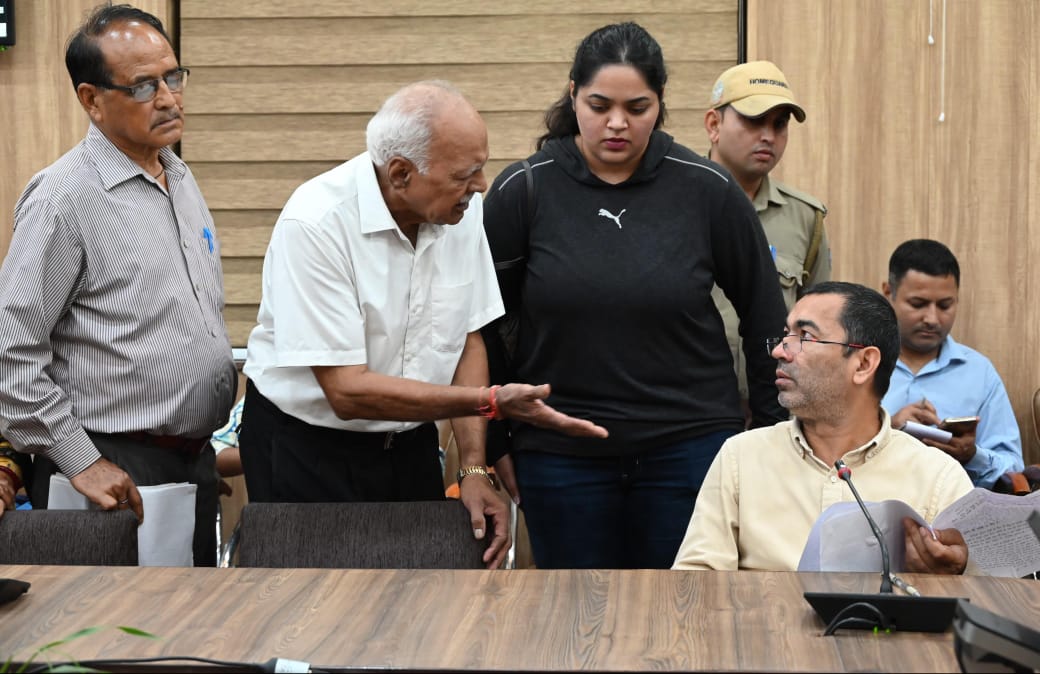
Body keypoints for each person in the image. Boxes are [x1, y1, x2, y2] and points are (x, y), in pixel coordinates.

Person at [239, 80, 606, 570]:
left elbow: (468, 339)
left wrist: (473, 467)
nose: (481, 185)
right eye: (465, 174)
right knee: (313, 604)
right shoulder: (316, 223)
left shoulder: (460, 212)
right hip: (307, 446)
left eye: (481, 167)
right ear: (400, 174)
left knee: (415, 597)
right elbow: (347, 392)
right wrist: (491, 401)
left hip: (409, 444)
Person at [481, 22, 787, 569]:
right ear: (573, 94)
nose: (617, 123)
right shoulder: (523, 190)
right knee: (575, 614)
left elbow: (766, 319)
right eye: (599, 105)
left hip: (690, 450)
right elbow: (483, 326)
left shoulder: (707, 190)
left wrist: (768, 440)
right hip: (560, 454)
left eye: (637, 107)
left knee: (686, 612)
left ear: (660, 103)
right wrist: (495, 439)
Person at [0, 4, 235, 565]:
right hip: (110, 466)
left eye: (173, 77)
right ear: (92, 99)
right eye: (143, 86)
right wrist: (81, 460)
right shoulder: (63, 199)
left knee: (190, 618)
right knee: (115, 621)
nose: (169, 99)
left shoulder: (178, 176)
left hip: (190, 460)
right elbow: (12, 350)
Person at [672, 282, 973, 573]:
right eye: (785, 335)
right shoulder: (741, 457)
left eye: (805, 336)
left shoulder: (937, 478)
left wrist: (947, 577)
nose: (780, 351)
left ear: (864, 364)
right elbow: (696, 583)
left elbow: (980, 592)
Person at [705, 60, 830, 402]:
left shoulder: (805, 217)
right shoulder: (674, 203)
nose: (768, 136)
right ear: (714, 124)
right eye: (753, 121)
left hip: (775, 410)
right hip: (689, 410)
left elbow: (818, 327)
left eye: (779, 124)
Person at [881, 239, 1022, 489]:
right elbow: (825, 451)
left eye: (945, 305)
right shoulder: (858, 364)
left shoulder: (979, 373)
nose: (932, 319)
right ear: (888, 293)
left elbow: (1014, 469)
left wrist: (972, 456)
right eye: (918, 304)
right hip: (869, 505)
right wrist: (885, 430)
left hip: (954, 508)